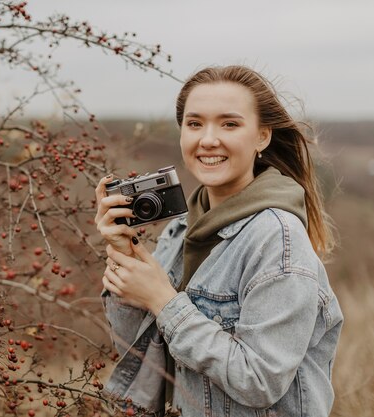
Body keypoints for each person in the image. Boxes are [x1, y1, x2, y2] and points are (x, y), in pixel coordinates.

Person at [94, 65, 343, 417]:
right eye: (195, 124)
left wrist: (163, 301)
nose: (208, 139)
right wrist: (125, 257)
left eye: (229, 124)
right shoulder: (180, 230)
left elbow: (260, 380)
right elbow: (138, 352)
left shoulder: (277, 238)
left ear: (262, 136)